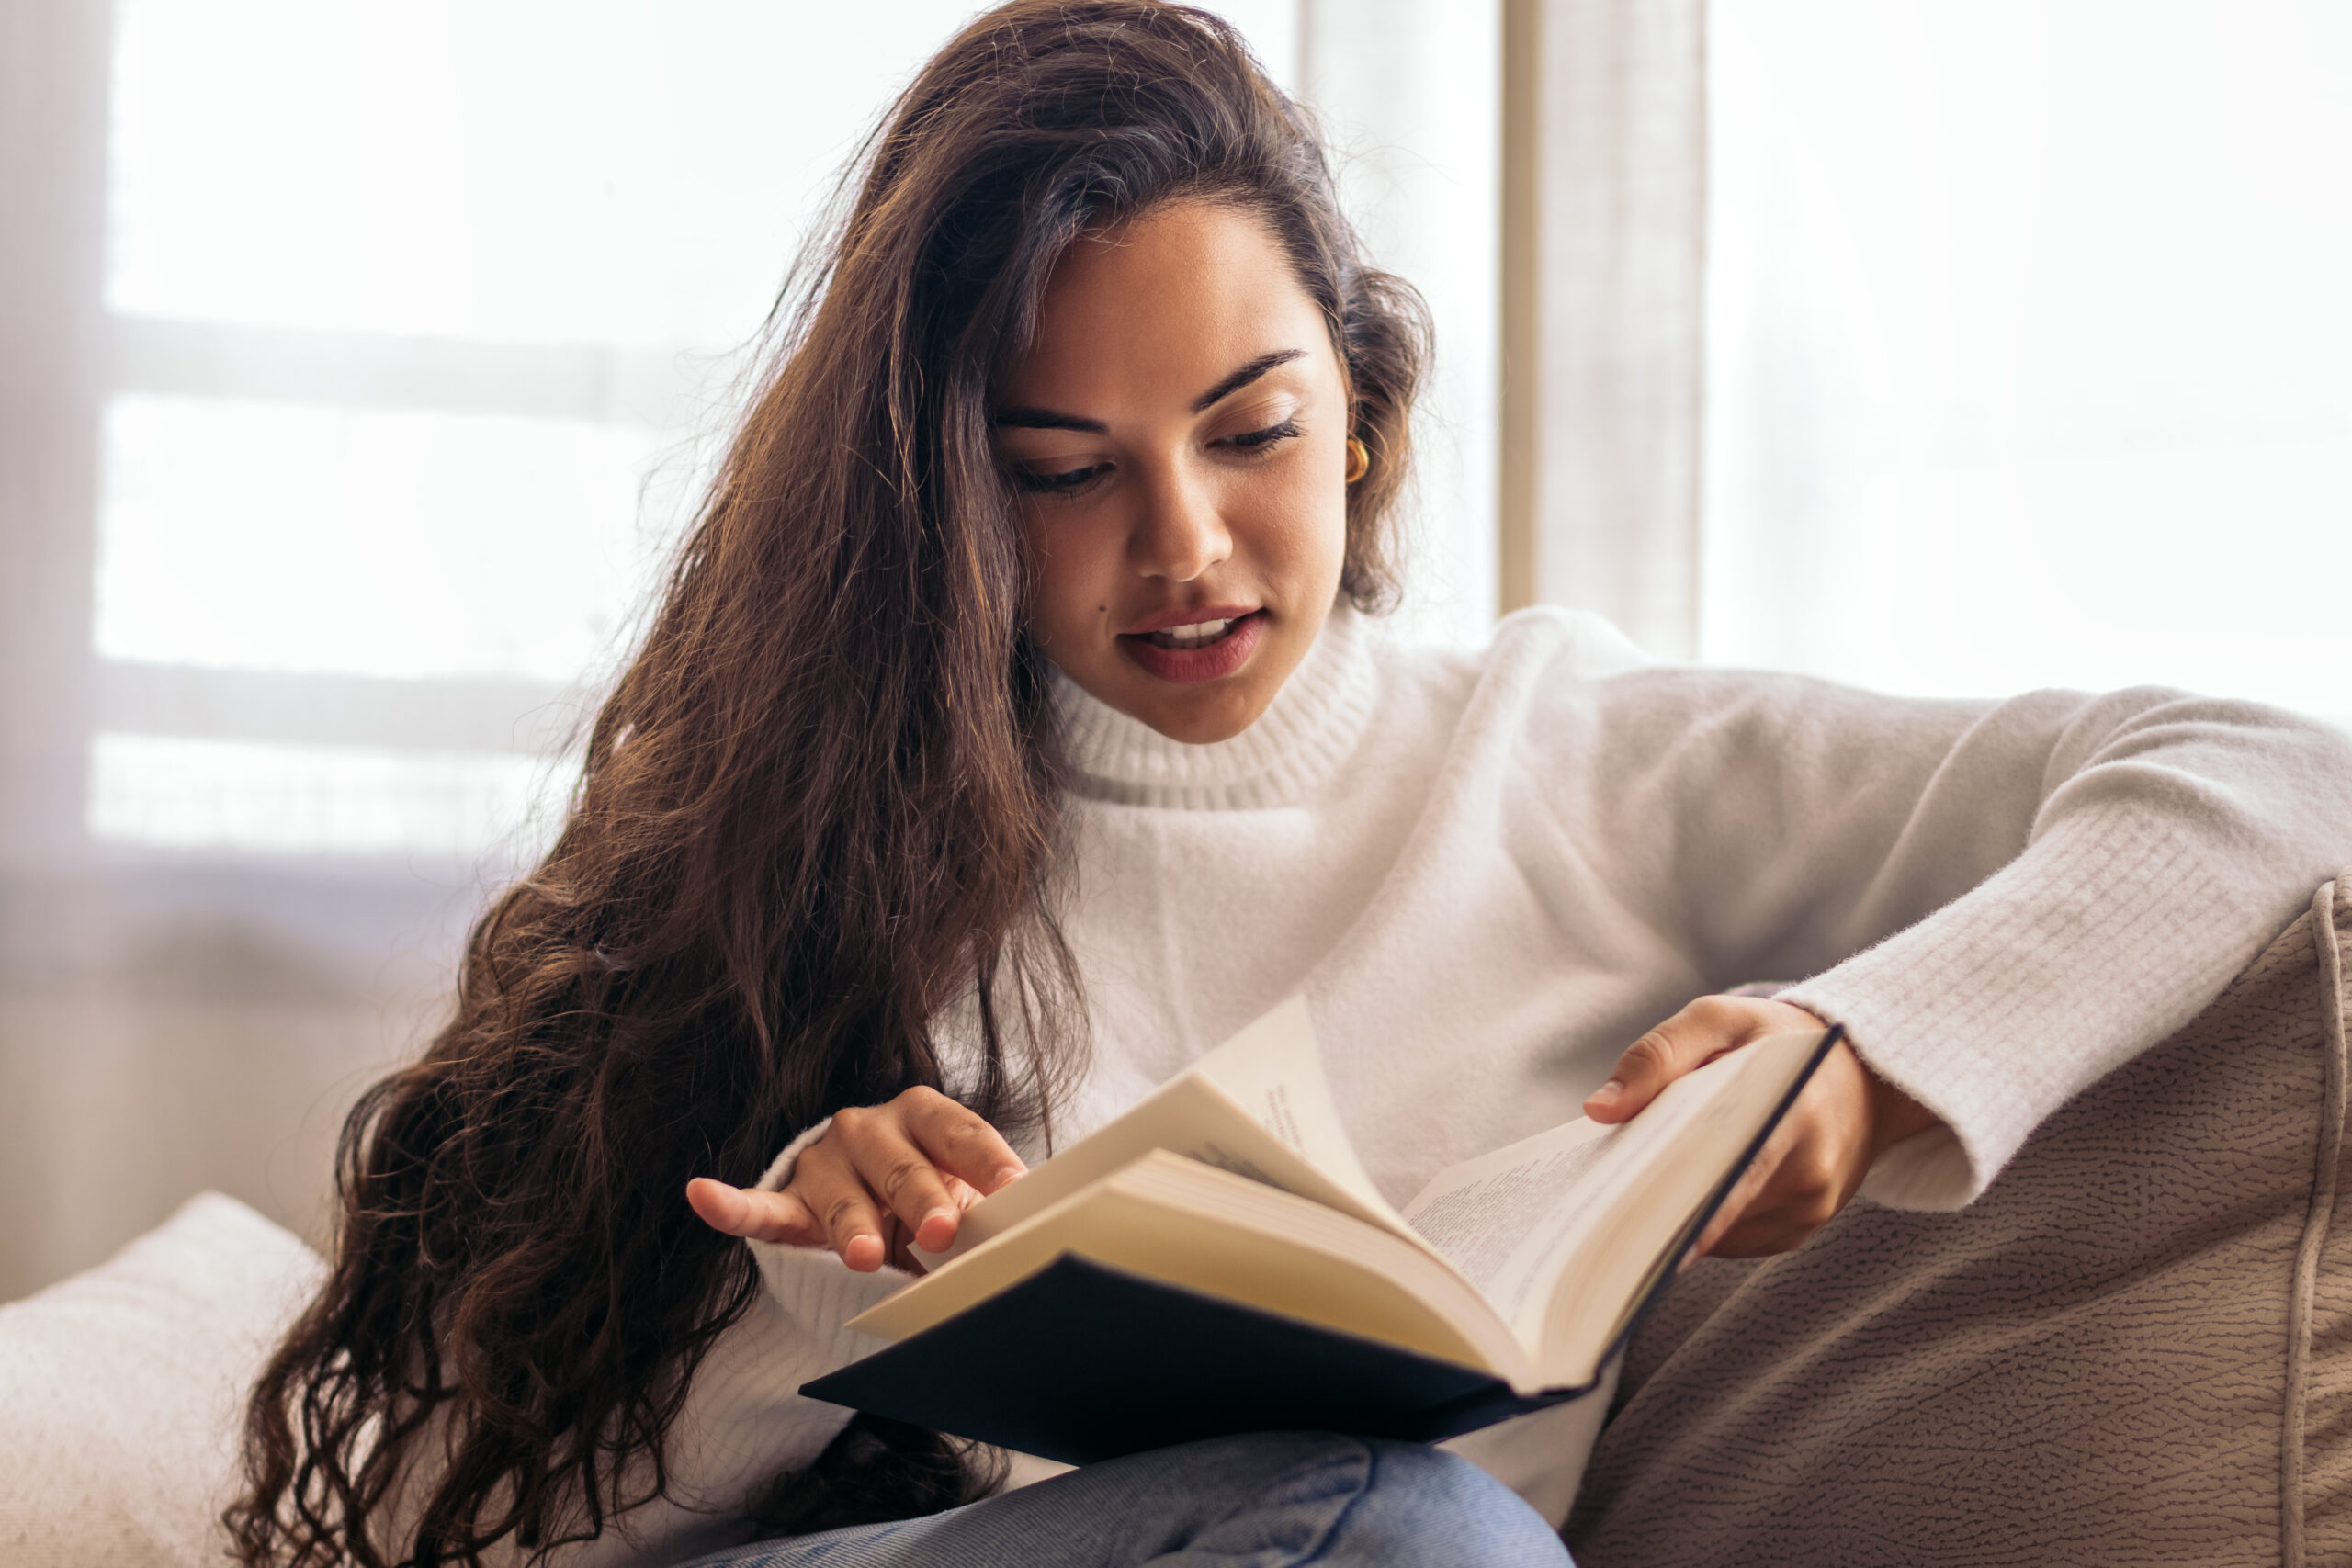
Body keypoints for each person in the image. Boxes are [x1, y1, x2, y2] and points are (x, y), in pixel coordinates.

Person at [228, 4, 2352, 1566]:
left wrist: (1864, 1048)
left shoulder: (1577, 759)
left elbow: (2272, 771)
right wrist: (821, 1285)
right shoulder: (828, 846)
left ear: (1357, 414)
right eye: (1063, 475)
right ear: (953, 507)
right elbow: (465, 1520)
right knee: (1401, 1531)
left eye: (1247, 432)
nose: (1184, 548)